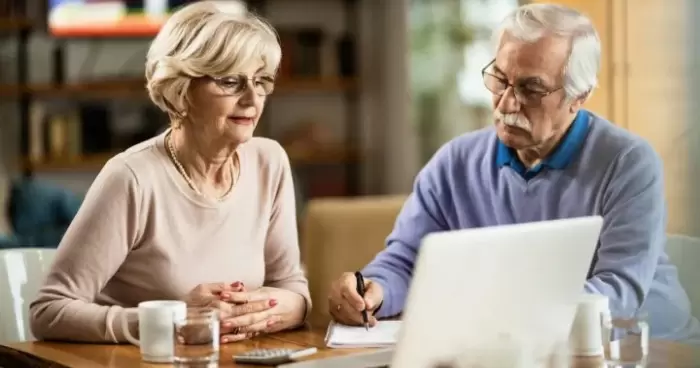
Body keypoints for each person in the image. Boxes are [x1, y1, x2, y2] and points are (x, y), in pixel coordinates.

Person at [329, 3, 700, 343]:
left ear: (579, 95)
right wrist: (373, 290)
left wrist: (502, 315)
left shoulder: (628, 162)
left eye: (531, 88)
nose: (506, 102)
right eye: (500, 79)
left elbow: (617, 292)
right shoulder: (454, 163)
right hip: (516, 347)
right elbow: (407, 261)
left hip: (649, 346)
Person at [30, 1, 310, 343]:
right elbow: (49, 312)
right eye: (230, 81)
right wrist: (171, 320)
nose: (253, 99)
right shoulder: (131, 178)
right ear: (181, 89)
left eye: (261, 81)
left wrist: (258, 310)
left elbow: (293, 292)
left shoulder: (270, 162)